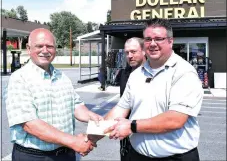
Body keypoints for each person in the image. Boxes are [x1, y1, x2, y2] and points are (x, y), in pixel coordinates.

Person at [104, 18, 203, 161]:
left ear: (170, 41)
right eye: (148, 39)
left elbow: (175, 119)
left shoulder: (184, 73)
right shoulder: (136, 75)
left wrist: (132, 126)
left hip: (175, 158)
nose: (152, 44)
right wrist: (94, 134)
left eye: (158, 39)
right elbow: (121, 108)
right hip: (137, 155)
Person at [5, 28, 103, 161]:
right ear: (28, 48)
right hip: (34, 156)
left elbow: (76, 105)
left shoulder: (62, 77)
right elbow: (30, 124)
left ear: (55, 49)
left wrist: (90, 116)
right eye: (39, 46)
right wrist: (73, 142)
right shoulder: (19, 79)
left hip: (65, 154)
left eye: (49, 46)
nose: (45, 50)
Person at [115, 37, 146, 161]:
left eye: (133, 51)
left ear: (144, 51)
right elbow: (123, 104)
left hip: (145, 134)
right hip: (126, 137)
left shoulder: (153, 74)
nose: (130, 56)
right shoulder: (124, 74)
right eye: (127, 53)